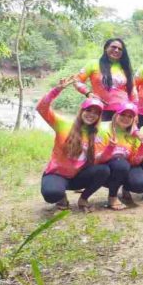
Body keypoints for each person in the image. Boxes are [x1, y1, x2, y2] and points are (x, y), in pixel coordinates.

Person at [38, 77, 109, 212]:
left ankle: (83, 199)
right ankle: (60, 195)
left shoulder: (99, 133)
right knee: (51, 194)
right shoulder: (63, 124)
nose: (91, 115)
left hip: (78, 176)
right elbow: (41, 108)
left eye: (96, 113)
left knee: (104, 170)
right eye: (88, 110)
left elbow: (99, 158)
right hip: (57, 174)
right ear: (81, 111)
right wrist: (57, 90)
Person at [94, 102, 143, 210]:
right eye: (123, 114)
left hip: (125, 166)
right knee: (120, 163)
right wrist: (110, 149)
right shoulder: (103, 128)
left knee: (140, 184)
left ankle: (125, 188)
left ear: (134, 119)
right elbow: (97, 159)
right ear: (116, 115)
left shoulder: (135, 135)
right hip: (105, 167)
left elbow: (135, 162)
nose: (126, 118)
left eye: (130, 116)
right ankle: (112, 196)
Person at [74, 38, 137, 121]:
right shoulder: (93, 64)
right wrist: (88, 93)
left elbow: (133, 92)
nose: (116, 50)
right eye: (113, 47)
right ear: (106, 48)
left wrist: (135, 112)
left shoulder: (125, 69)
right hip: (98, 109)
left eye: (120, 49)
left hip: (122, 112)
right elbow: (76, 81)